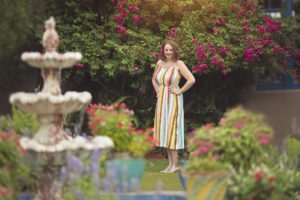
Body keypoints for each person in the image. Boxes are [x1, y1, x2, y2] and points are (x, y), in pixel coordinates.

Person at [152, 40, 195, 173]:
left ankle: (175, 164)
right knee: (164, 130)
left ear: (175, 50)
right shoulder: (160, 63)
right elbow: (154, 79)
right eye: (166, 50)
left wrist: (180, 91)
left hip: (173, 100)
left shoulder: (179, 64)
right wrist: (158, 90)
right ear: (163, 51)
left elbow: (191, 79)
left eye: (171, 50)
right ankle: (170, 164)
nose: (168, 52)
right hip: (161, 101)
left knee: (172, 130)